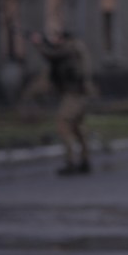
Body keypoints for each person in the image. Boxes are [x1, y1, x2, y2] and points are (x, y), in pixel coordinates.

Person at [30, 30, 93, 175]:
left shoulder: (68, 48)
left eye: (56, 38)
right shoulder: (75, 48)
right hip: (79, 95)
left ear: (63, 39)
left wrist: (38, 43)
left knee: (63, 124)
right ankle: (85, 161)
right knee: (77, 128)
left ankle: (71, 162)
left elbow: (51, 55)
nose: (54, 40)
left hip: (74, 95)